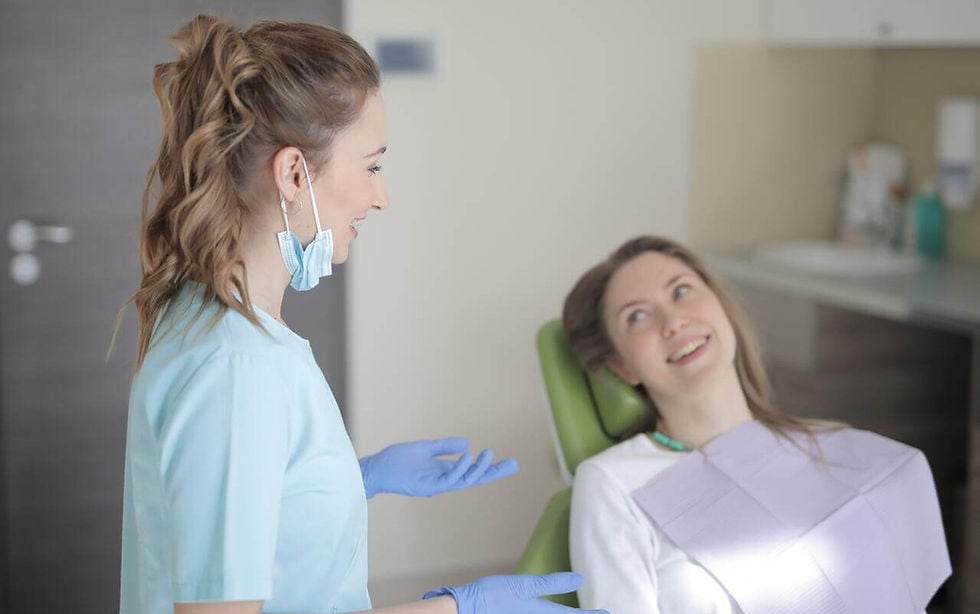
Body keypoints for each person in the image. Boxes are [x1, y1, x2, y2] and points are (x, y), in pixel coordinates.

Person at [119, 14, 608, 614]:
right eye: (372, 165)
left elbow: (241, 509)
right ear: (294, 173)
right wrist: (458, 609)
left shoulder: (213, 320)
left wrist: (354, 478)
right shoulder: (236, 366)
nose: (382, 196)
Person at [562, 236, 950, 614]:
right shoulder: (614, 483)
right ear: (621, 366)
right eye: (637, 316)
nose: (673, 322)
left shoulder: (828, 451)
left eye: (681, 291)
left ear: (721, 306)